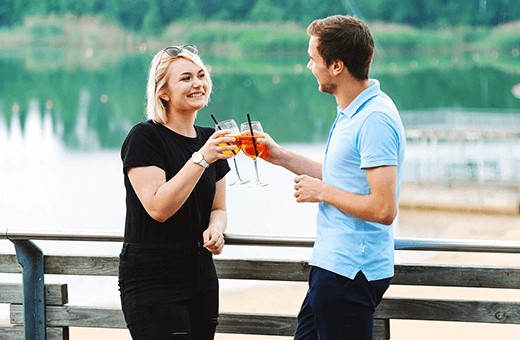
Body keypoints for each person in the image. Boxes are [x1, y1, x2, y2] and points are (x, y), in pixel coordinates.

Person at [258, 15, 406, 339]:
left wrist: (321, 192)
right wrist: (279, 156)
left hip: (350, 272)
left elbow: (383, 209)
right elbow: (346, 178)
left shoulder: (374, 119)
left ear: (337, 66)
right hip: (332, 268)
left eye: (313, 59)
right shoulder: (353, 109)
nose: (309, 66)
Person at [118, 44, 237, 340]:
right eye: (185, 78)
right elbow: (158, 208)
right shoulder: (145, 138)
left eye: (200, 75)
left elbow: (218, 208)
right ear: (163, 92)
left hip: (201, 276)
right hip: (152, 279)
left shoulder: (211, 139)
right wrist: (202, 158)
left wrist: (216, 229)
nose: (197, 83)